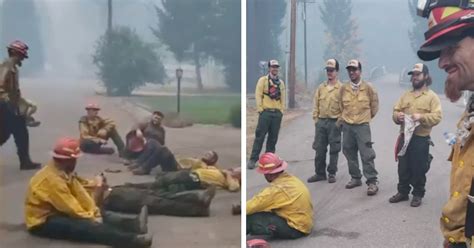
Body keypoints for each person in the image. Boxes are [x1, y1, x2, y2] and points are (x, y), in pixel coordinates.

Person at [416, 2, 474, 247]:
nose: (441, 63)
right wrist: (457, 236)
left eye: (452, 47)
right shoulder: (470, 111)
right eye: (440, 52)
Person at [25, 137, 153, 247]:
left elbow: (80, 193)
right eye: (74, 159)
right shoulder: (51, 180)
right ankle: (132, 241)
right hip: (43, 221)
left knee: (99, 214)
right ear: (67, 160)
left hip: (58, 210)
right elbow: (71, 207)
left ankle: (134, 225)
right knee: (87, 226)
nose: (76, 162)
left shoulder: (62, 171)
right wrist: (91, 217)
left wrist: (94, 211)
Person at [389, 63, 442, 207]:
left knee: (418, 168)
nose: (414, 77)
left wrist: (422, 117)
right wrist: (397, 116)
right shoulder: (406, 95)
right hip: (404, 137)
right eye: (413, 75)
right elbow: (395, 111)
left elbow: (437, 117)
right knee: (403, 166)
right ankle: (403, 192)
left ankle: (418, 194)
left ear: (425, 76)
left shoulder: (432, 97)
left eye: (418, 74)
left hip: (420, 139)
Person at [102, 167, 241, 217]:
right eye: (235, 168)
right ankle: (198, 203)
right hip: (192, 174)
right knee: (159, 191)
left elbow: (234, 188)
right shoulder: (216, 168)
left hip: (194, 178)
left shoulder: (230, 179)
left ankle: (199, 202)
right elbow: (198, 164)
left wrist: (228, 174)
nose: (234, 169)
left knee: (161, 192)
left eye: (237, 171)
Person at [247, 153, 313, 240]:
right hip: (304, 222)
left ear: (268, 174)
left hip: (295, 228)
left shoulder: (276, 190)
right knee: (265, 209)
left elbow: (253, 205)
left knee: (249, 218)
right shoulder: (292, 179)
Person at [339, 59, 380, 196]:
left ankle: (372, 181)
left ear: (360, 71)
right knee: (349, 151)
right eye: (350, 70)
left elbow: (374, 107)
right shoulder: (344, 88)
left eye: (354, 69)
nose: (352, 72)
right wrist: (345, 120)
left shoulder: (368, 88)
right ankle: (355, 177)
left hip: (362, 126)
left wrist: (365, 118)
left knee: (366, 154)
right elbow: (341, 106)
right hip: (348, 125)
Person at [0, 40, 41, 170]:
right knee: (19, 132)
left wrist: (21, 103)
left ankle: (25, 161)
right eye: (20, 55)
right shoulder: (6, 65)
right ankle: (25, 162)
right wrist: (6, 102)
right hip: (3, 105)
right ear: (14, 53)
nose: (21, 58)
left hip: (9, 105)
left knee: (6, 133)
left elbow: (13, 91)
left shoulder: (13, 68)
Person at [307, 59, 342, 184]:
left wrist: (339, 122)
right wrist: (316, 119)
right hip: (321, 122)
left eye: (332, 70)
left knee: (334, 149)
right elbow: (315, 104)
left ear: (337, 71)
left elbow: (345, 107)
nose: (329, 72)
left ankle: (332, 173)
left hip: (334, 123)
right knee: (319, 149)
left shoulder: (341, 89)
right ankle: (319, 173)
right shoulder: (321, 88)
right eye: (328, 70)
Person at [248, 59, 286, 169]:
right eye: (273, 67)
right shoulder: (263, 81)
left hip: (276, 114)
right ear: (269, 68)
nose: (275, 69)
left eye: (276, 67)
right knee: (260, 136)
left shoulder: (281, 83)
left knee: (273, 138)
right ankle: (253, 159)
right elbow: (258, 94)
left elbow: (283, 97)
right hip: (265, 113)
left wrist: (281, 111)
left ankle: (269, 160)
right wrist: (260, 109)